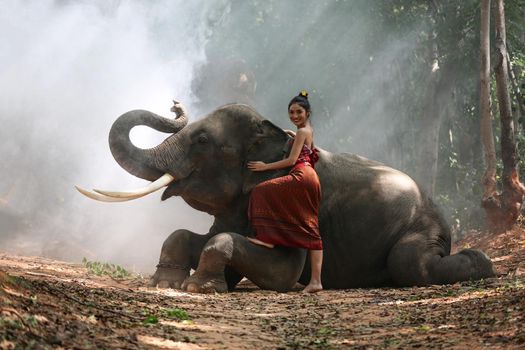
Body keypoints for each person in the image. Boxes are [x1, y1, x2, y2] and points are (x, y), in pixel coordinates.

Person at [247, 90, 323, 293]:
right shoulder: (307, 130)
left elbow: (291, 161)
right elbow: (311, 151)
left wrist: (264, 166)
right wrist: (294, 137)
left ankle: (267, 237)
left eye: (298, 112)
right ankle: (316, 281)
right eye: (291, 112)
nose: (294, 116)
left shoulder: (301, 132)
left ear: (307, 112)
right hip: (310, 177)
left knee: (260, 191)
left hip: (300, 176)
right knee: (311, 227)